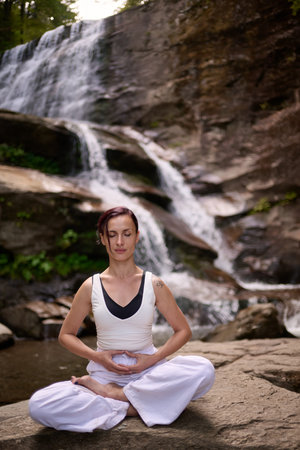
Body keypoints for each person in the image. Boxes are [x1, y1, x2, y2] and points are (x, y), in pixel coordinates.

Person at [29, 206, 215, 432]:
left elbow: (183, 330)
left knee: (203, 369)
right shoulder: (91, 286)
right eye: (112, 235)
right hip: (104, 375)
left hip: (149, 373)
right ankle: (144, 404)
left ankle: (115, 398)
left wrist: (152, 359)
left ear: (137, 237)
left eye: (127, 234)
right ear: (103, 239)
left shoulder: (153, 283)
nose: (120, 242)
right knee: (39, 405)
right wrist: (97, 356)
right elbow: (66, 335)